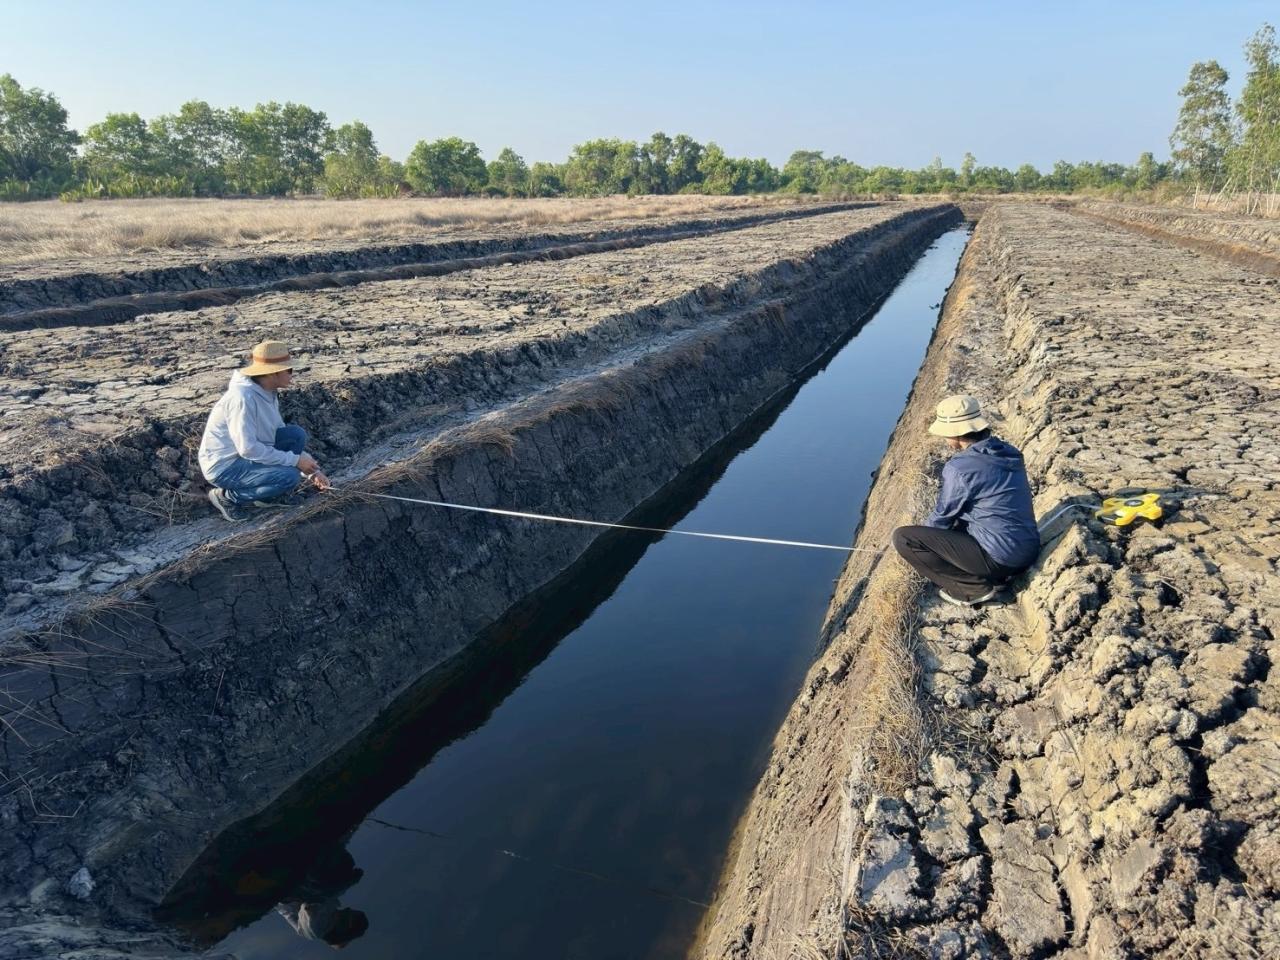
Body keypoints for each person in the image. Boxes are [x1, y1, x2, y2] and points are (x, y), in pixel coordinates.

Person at [892, 395, 1039, 607]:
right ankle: (993, 577)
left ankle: (972, 589)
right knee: (963, 520)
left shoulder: (960, 468)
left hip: (1000, 559)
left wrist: (922, 548)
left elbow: (942, 517)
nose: (944, 439)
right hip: (1028, 549)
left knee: (904, 538)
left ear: (956, 433)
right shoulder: (1008, 451)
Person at [198, 340, 330, 522]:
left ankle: (266, 496)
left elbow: (277, 434)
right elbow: (248, 449)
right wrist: (295, 461)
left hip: (245, 456)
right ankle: (226, 497)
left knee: (295, 435)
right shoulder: (242, 399)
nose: (292, 375)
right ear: (272, 373)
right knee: (289, 477)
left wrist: (313, 472)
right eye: (289, 370)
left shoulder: (268, 392)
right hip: (225, 466)